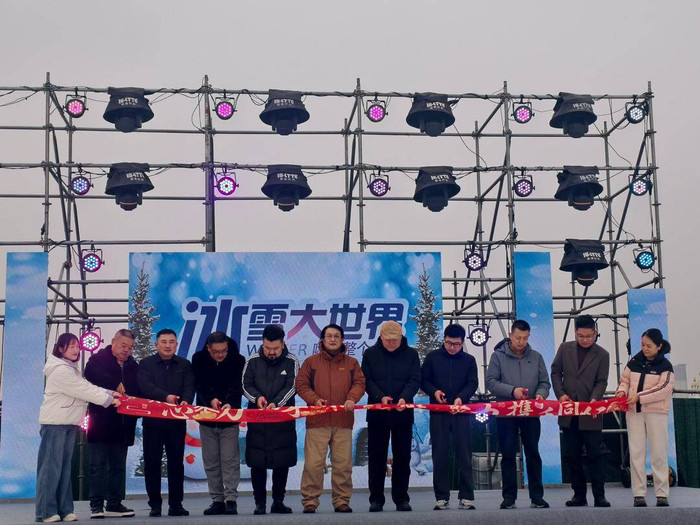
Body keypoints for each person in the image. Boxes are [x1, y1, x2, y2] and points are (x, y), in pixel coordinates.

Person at [36, 333, 120, 523]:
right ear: (60, 348)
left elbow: (86, 385)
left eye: (77, 346)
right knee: (51, 469)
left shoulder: (71, 369)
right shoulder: (60, 370)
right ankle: (46, 511)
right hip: (55, 424)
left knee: (63, 469)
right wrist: (108, 399)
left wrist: (109, 392)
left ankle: (64, 510)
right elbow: (82, 390)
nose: (76, 350)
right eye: (71, 346)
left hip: (68, 423)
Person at [295, 324, 366, 514]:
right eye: (329, 336)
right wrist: (314, 400)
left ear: (342, 340)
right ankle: (310, 501)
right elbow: (301, 384)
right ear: (322, 340)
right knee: (313, 465)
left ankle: (341, 500)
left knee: (343, 464)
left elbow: (360, 383)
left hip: (343, 421)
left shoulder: (352, 363)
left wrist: (351, 398)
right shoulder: (311, 362)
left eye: (336, 336)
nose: (333, 339)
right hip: (317, 421)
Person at [486, 319, 551, 510]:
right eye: (517, 338)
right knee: (507, 454)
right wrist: (512, 391)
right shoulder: (497, 356)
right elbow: (491, 382)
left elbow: (544, 383)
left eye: (524, 338)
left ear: (529, 336)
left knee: (533, 454)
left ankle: (537, 496)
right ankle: (509, 497)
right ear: (510, 335)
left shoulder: (537, 357)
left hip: (531, 413)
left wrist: (541, 395)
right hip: (506, 413)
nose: (521, 341)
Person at [551, 314, 611, 507]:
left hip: (591, 412)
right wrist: (560, 394)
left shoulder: (602, 354)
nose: (585, 340)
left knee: (595, 454)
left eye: (589, 336)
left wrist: (594, 399)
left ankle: (599, 496)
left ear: (595, 333)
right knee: (572, 455)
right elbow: (555, 372)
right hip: (569, 411)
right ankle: (579, 495)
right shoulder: (564, 348)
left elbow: (602, 381)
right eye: (581, 336)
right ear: (575, 333)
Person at [361, 321, 421, 512]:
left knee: (402, 457)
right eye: (388, 340)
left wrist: (405, 398)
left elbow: (415, 379)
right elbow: (367, 380)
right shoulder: (370, 354)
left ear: (401, 337)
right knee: (376, 457)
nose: (391, 343)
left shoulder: (411, 354)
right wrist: (380, 397)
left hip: (403, 413)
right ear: (380, 336)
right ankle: (376, 499)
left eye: (395, 340)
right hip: (378, 413)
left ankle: (401, 498)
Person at [242, 324, 299, 515]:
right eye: (267, 348)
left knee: (281, 461)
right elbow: (245, 385)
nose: (271, 352)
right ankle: (259, 503)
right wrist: (257, 398)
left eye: (275, 348)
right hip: (258, 421)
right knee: (257, 462)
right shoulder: (252, 361)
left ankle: (278, 501)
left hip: (282, 421)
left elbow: (292, 386)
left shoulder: (291, 361)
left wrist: (276, 403)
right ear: (262, 343)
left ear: (283, 344)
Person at [137, 328, 194, 517]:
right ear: (156, 344)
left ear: (176, 345)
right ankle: (155, 504)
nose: (167, 345)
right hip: (153, 423)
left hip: (176, 422)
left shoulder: (185, 364)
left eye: (171, 342)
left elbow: (189, 386)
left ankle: (176, 504)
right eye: (163, 342)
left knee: (176, 463)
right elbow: (145, 386)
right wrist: (166, 397)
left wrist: (186, 401)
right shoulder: (146, 364)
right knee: (152, 463)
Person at [421, 324, 479, 511]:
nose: (452, 347)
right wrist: (434, 392)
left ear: (463, 342)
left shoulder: (469, 360)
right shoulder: (432, 357)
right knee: (440, 454)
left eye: (456, 344)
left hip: (461, 412)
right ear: (443, 339)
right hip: (439, 412)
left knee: (464, 454)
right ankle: (441, 497)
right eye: (448, 343)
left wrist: (462, 397)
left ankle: (466, 496)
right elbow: (423, 380)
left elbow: (473, 383)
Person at [615, 328, 674, 507]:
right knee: (636, 453)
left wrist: (639, 397)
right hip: (634, 412)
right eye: (642, 345)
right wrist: (622, 391)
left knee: (658, 453)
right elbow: (625, 380)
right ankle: (638, 493)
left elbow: (663, 389)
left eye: (649, 346)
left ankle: (661, 493)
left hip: (656, 412)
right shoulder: (634, 361)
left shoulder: (665, 366)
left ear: (659, 346)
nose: (645, 349)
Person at [84, 329, 139, 519]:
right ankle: (96, 505)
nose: (126, 350)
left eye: (130, 347)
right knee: (97, 466)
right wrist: (115, 382)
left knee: (118, 467)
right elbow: (90, 374)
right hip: (101, 423)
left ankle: (114, 503)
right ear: (113, 342)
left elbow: (139, 389)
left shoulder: (133, 365)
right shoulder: (98, 359)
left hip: (124, 425)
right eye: (123, 345)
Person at [191, 331, 245, 516]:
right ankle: (217, 500)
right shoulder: (198, 359)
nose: (221, 355)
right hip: (207, 417)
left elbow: (237, 385)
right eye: (216, 352)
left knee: (230, 460)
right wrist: (210, 400)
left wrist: (230, 403)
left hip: (229, 419)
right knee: (211, 461)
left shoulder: (237, 360)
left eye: (224, 351)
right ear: (208, 348)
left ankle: (231, 500)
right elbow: (199, 383)